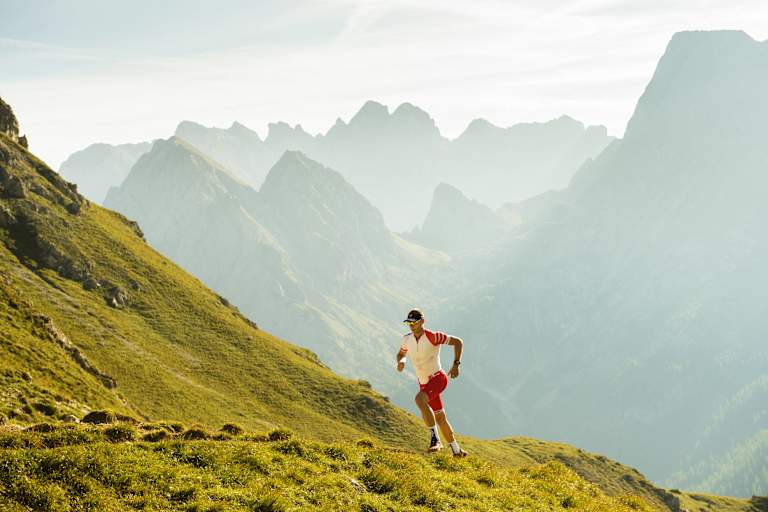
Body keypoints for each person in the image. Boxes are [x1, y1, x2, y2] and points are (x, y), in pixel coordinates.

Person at [396, 308, 467, 457]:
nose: (411, 325)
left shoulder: (433, 337)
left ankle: (436, 440)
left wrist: (456, 364)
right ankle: (457, 451)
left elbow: (458, 342)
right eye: (408, 323)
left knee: (419, 399)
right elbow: (401, 353)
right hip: (424, 383)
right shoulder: (407, 339)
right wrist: (401, 361)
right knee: (440, 417)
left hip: (438, 378)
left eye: (414, 322)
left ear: (422, 322)